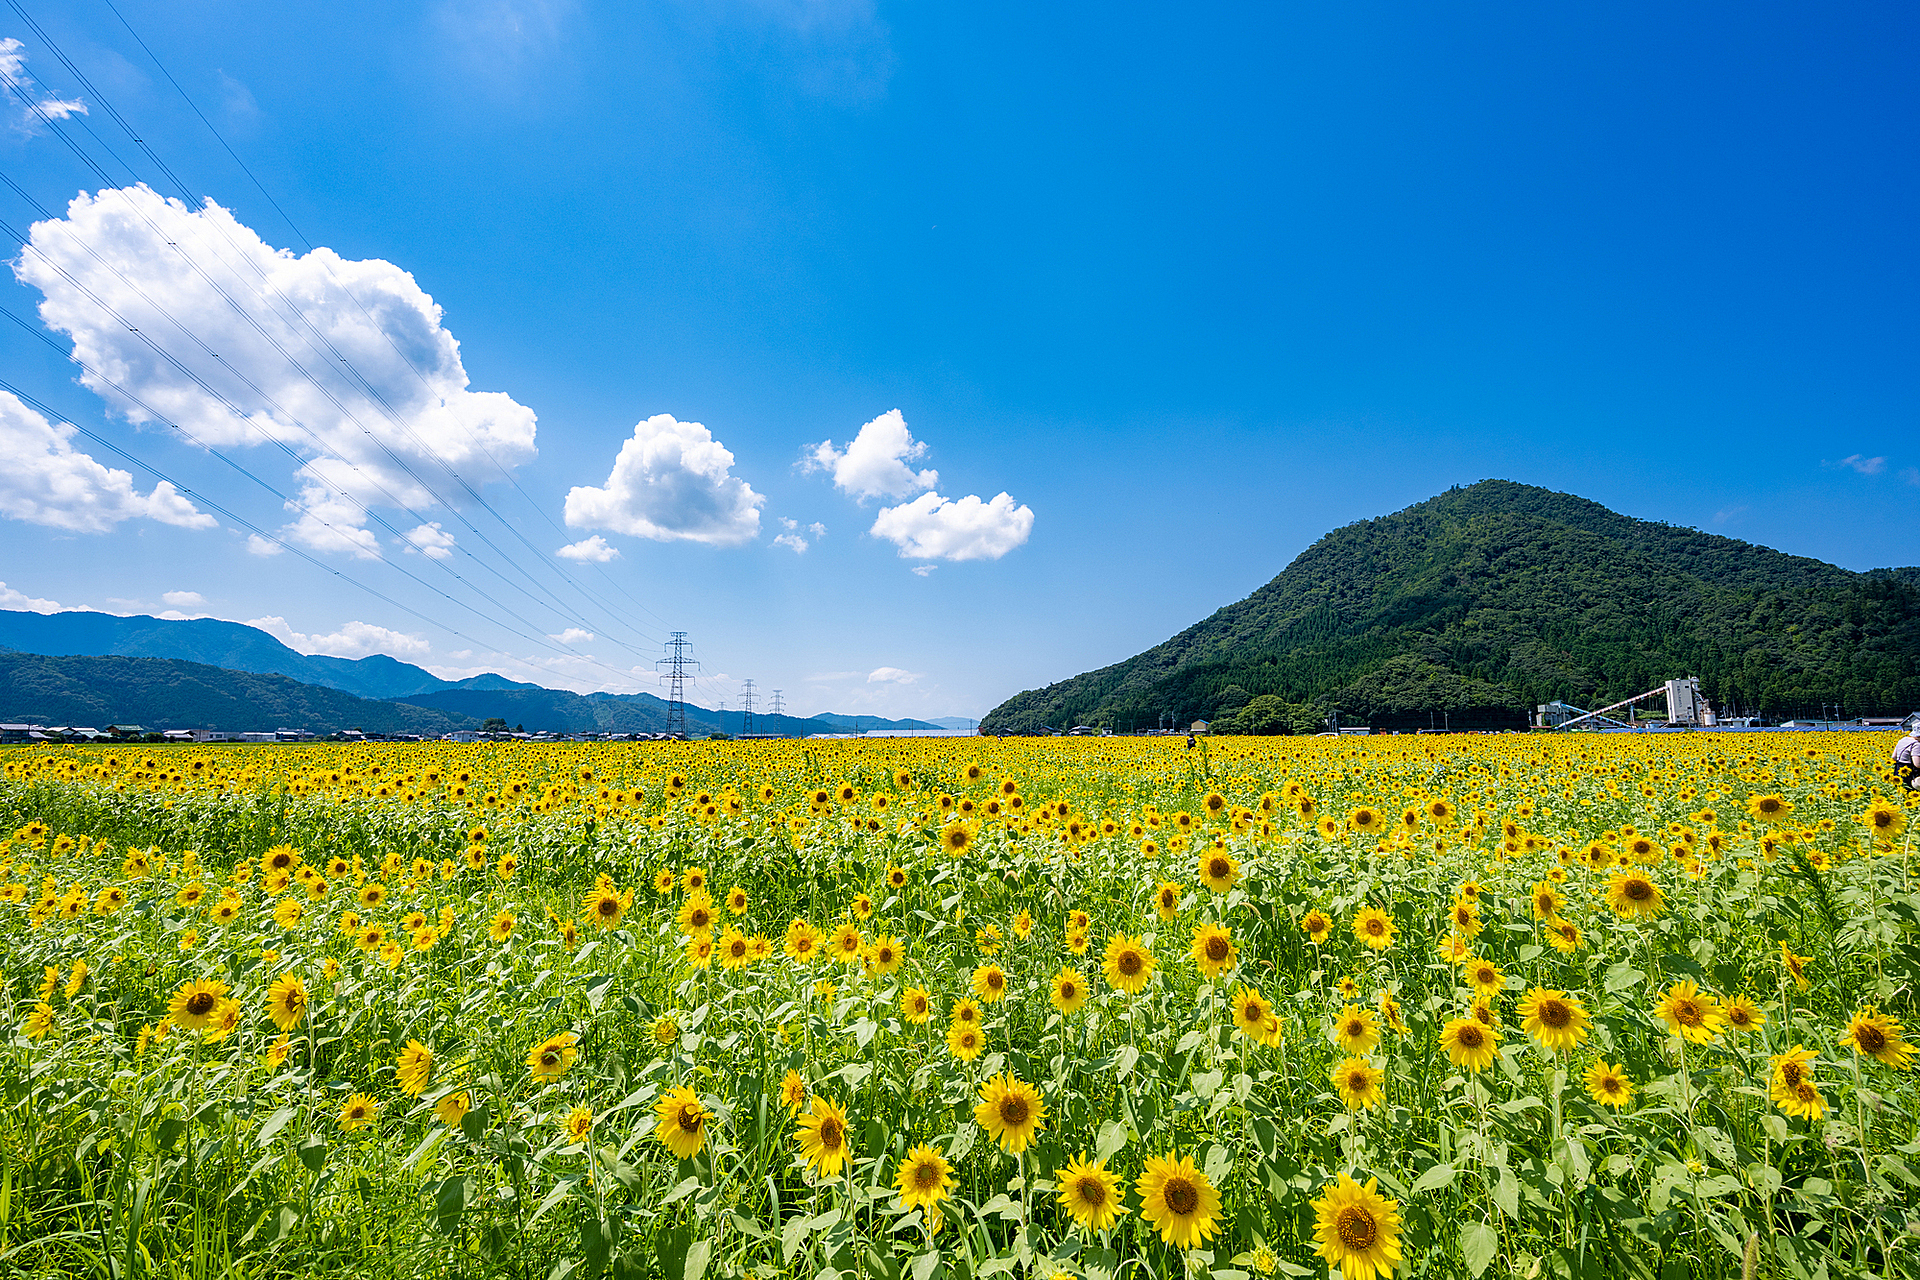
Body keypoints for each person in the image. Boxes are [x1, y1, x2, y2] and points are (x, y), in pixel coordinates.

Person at [1896, 722, 1920, 790]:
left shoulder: (1902, 740)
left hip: (1898, 771)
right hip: (1909, 774)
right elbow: (1917, 764)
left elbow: (1894, 757)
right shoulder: (1916, 744)